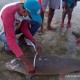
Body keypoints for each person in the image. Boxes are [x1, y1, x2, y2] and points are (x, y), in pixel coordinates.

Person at [0, 0, 42, 74]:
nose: (31, 17)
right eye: (31, 15)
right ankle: (7, 48)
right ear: (24, 11)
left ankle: (22, 40)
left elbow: (24, 28)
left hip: (14, 27)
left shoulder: (24, 9)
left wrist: (35, 42)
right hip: (3, 31)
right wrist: (27, 63)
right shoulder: (8, 12)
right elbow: (11, 39)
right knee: (14, 42)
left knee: (37, 22)